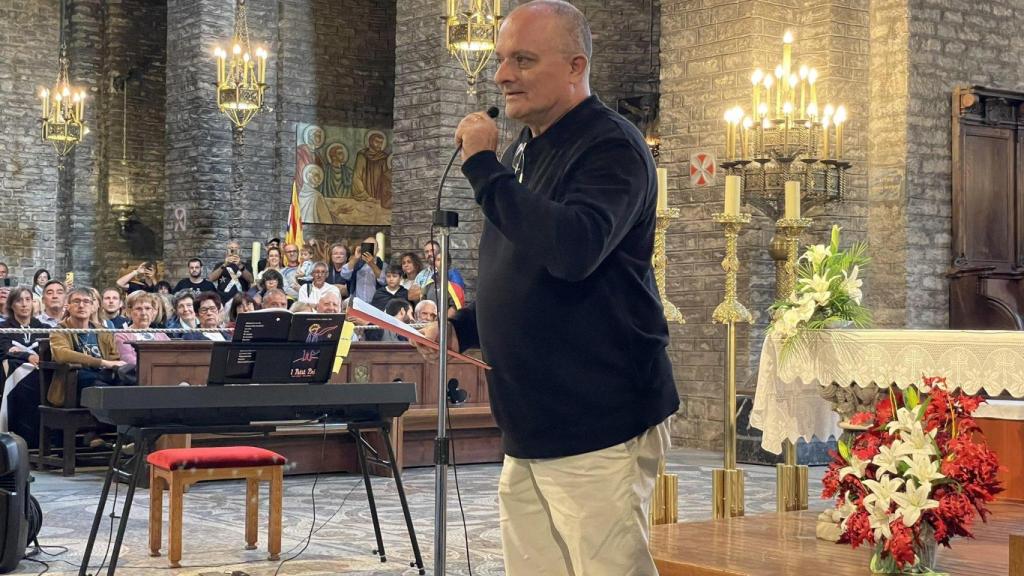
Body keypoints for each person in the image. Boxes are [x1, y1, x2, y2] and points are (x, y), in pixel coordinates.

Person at [422, 3, 679, 574]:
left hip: (596, 417)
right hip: (532, 420)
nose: (501, 75)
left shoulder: (610, 146)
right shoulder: (523, 150)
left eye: (522, 60)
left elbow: (573, 248)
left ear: (574, 67)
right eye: (500, 60)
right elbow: (521, 262)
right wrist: (463, 326)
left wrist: (484, 168)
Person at [49, 288, 129, 409]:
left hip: (102, 374)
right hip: (76, 379)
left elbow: (114, 357)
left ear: (93, 307)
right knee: (98, 385)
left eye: (86, 301)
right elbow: (62, 354)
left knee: (130, 378)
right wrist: (101, 362)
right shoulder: (59, 329)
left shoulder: (102, 331)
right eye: (76, 301)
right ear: (68, 306)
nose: (81, 305)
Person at [1, 287, 47, 447]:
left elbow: (48, 350)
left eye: (28, 299)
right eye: (19, 300)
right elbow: (6, 350)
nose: (24, 304)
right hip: (14, 377)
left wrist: (21, 353)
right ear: (11, 305)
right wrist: (27, 356)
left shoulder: (41, 327)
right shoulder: (5, 327)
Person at [114, 291, 170, 365]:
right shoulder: (122, 336)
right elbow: (130, 361)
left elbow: (171, 357)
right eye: (138, 309)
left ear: (153, 312)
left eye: (147, 308)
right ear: (129, 312)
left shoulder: (161, 335)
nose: (143, 313)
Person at [351, 130, 392, 209]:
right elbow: (357, 177)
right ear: (370, 141)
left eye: (381, 142)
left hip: (379, 196)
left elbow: (386, 178)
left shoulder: (383, 157)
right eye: (377, 142)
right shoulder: (362, 155)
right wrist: (365, 196)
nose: (379, 145)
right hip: (366, 197)